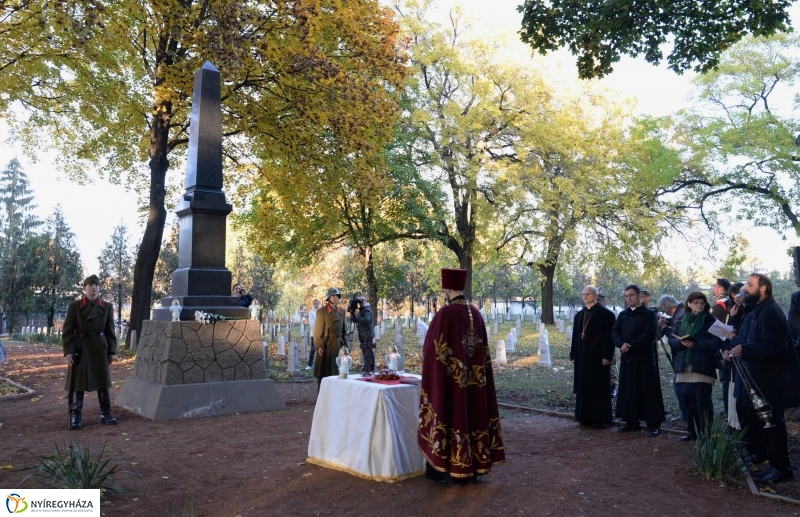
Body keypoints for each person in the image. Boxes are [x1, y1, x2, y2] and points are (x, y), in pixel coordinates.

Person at [418, 268, 504, 485]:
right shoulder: (476, 313)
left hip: (452, 382)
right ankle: (475, 467)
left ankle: (447, 469)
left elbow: (431, 351)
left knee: (451, 416)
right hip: (475, 382)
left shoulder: (445, 314)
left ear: (446, 288)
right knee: (473, 416)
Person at [723, 273, 800, 483]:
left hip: (769, 381)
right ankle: (768, 459)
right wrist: (738, 346)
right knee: (761, 423)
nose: (744, 289)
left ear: (763, 288)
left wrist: (745, 350)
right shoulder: (758, 311)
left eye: (749, 285)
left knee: (772, 425)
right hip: (756, 379)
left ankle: (781, 468)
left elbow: (776, 347)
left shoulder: (770, 312)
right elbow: (750, 340)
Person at [62, 274, 118, 430]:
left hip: (100, 348)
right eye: (91, 284)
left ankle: (106, 413)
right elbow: (67, 331)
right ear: (84, 288)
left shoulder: (106, 307)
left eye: (97, 285)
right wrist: (68, 352)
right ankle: (75, 415)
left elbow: (110, 331)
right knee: (77, 383)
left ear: (99, 288)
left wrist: (112, 350)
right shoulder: (75, 306)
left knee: (102, 382)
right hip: (80, 347)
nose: (94, 287)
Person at [612, 284, 665, 436]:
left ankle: (653, 424)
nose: (628, 298)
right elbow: (615, 331)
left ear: (639, 296)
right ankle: (631, 421)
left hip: (645, 359)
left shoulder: (649, 314)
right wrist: (621, 344)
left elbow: (649, 335)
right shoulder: (623, 315)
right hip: (628, 359)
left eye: (631, 295)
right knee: (629, 390)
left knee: (648, 391)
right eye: (626, 296)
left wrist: (630, 346)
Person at [667, 292, 721, 441]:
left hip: (703, 365)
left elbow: (716, 343)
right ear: (689, 304)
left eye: (702, 303)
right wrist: (680, 343)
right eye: (696, 302)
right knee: (688, 401)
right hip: (684, 365)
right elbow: (671, 340)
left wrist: (696, 344)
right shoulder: (680, 321)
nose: (699, 305)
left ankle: (708, 433)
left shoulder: (711, 321)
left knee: (703, 401)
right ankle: (693, 432)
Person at [570, 286, 616, 427]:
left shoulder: (606, 315)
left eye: (588, 294)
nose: (585, 296)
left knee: (598, 387)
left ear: (595, 296)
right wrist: (573, 354)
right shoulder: (580, 315)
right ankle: (584, 417)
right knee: (583, 386)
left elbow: (609, 338)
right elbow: (575, 337)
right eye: (583, 294)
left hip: (598, 357)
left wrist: (606, 356)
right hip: (582, 357)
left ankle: (599, 419)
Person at [657, 294, 687, 420]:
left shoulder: (681, 315)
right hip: (682, 356)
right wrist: (668, 321)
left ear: (667, 306)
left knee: (678, 384)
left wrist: (664, 327)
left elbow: (675, 338)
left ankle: (685, 413)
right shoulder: (680, 311)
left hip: (683, 357)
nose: (662, 310)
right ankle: (686, 412)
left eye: (662, 307)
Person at [312, 288, 347, 389]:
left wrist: (346, 346)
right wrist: (318, 346)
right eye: (333, 296)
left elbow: (344, 331)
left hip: (338, 345)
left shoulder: (341, 311)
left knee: (338, 372)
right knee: (326, 373)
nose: (335, 298)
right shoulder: (322, 312)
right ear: (328, 298)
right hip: (326, 346)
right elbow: (317, 331)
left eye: (337, 296)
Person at [353, 295, 375, 374]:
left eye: (362, 300)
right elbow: (357, 321)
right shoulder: (362, 310)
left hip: (367, 334)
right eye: (359, 300)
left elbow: (367, 320)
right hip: (363, 333)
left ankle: (371, 368)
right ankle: (366, 367)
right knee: (365, 352)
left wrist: (358, 316)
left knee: (368, 351)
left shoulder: (367, 310)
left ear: (365, 300)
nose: (361, 302)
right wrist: (353, 315)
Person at [305, 299, 320, 370]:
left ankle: (320, 365)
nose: (316, 305)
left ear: (319, 304)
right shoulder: (311, 312)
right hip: (314, 333)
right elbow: (312, 323)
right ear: (313, 304)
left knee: (322, 349)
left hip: (322, 333)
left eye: (317, 303)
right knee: (313, 349)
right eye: (315, 304)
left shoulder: (322, 311)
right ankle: (310, 365)